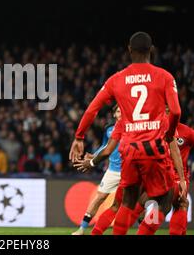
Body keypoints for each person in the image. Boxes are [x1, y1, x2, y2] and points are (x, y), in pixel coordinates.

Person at [69, 32, 186, 235]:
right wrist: (168, 133)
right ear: (151, 50)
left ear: (129, 50)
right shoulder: (165, 77)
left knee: (126, 203)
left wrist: (79, 136)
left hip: (129, 150)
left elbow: (92, 109)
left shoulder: (116, 79)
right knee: (165, 202)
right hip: (154, 148)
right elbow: (175, 111)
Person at [72, 105, 121, 235]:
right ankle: (82, 229)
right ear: (114, 114)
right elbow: (105, 146)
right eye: (117, 111)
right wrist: (94, 155)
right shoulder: (109, 129)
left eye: (122, 110)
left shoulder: (131, 127)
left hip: (129, 170)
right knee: (99, 198)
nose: (120, 113)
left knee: (132, 204)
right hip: (113, 170)